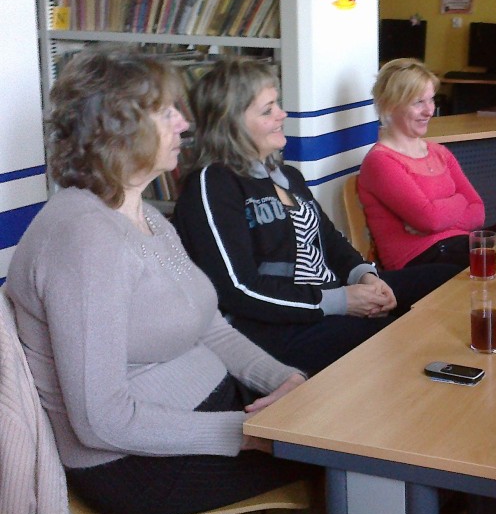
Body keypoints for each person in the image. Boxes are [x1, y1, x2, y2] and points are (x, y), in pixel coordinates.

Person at [4, 48, 313, 514]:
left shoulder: (143, 215)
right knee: (351, 456)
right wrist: (246, 432)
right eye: (166, 112)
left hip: (205, 420)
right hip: (138, 465)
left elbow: (211, 328)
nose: (184, 125)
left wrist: (284, 381)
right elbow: (101, 421)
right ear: (117, 127)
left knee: (342, 422)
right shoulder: (83, 238)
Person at [174, 57, 457, 377]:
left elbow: (330, 240)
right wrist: (341, 301)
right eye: (267, 110)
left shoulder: (287, 176)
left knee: (451, 279)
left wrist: (365, 277)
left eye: (277, 104)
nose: (282, 114)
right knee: (396, 342)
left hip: (328, 294)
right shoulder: (212, 184)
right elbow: (239, 289)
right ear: (231, 124)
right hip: (275, 325)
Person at [358, 58, 496, 270]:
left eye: (431, 100)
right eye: (418, 102)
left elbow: (478, 211)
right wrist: (459, 201)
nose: (429, 111)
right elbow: (430, 220)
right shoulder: (381, 161)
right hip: (423, 259)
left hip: (459, 245)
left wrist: (439, 220)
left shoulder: (439, 152)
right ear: (390, 105)